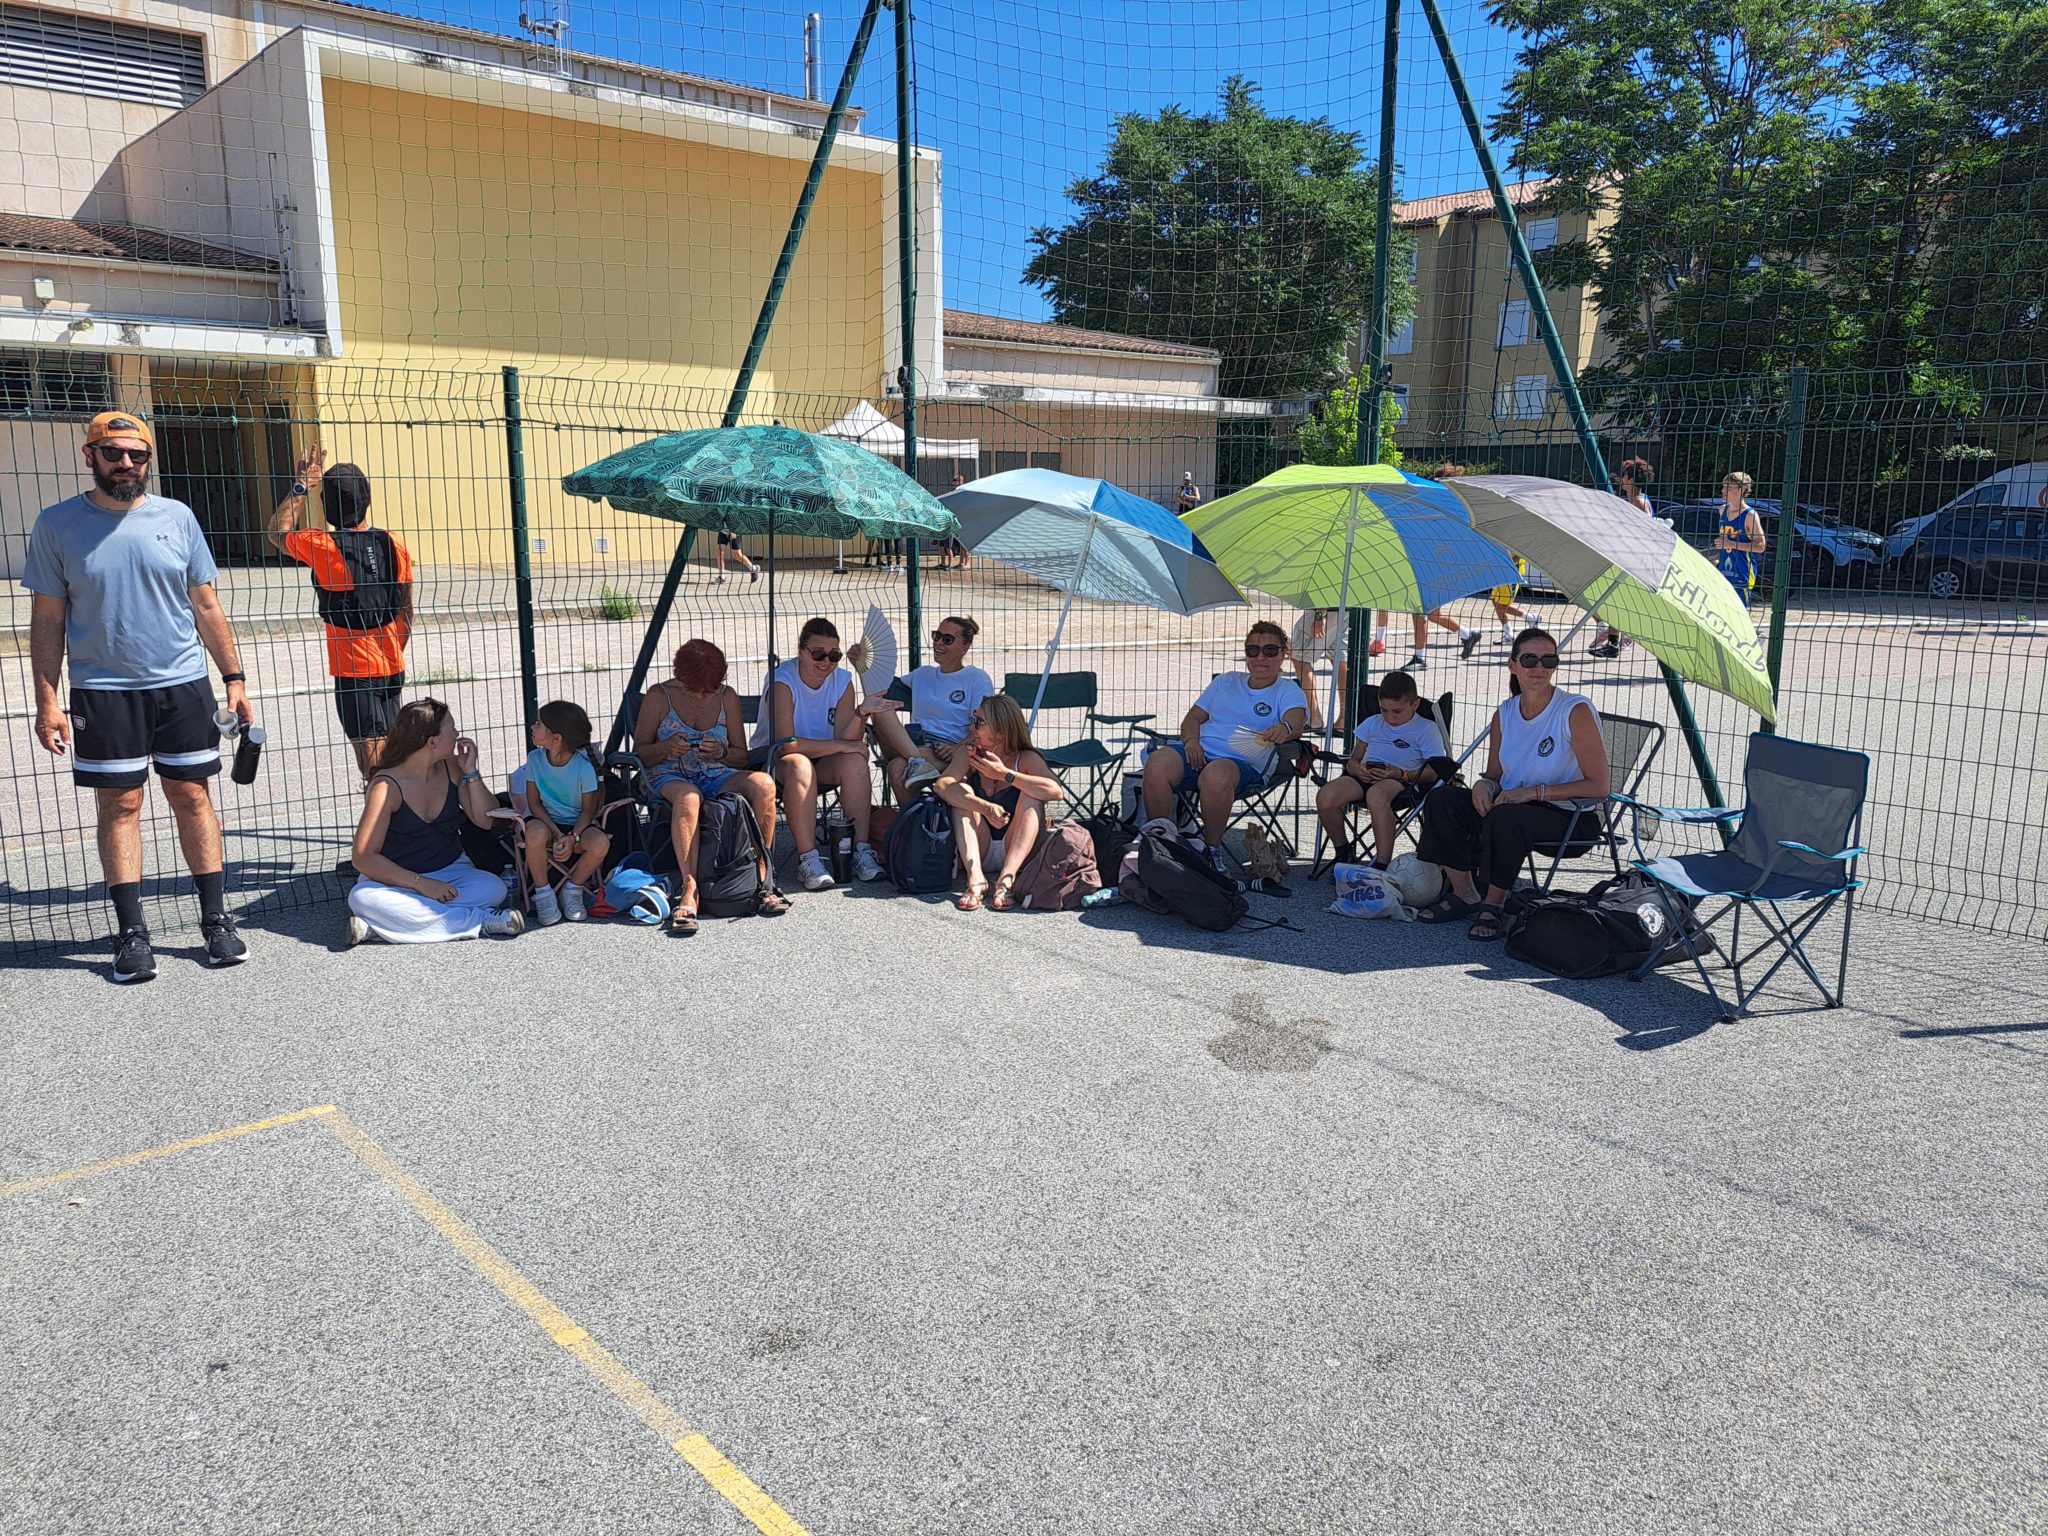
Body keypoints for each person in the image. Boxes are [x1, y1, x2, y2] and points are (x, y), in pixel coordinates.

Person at [25, 411, 256, 981]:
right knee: (120, 805)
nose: (126, 463)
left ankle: (216, 922)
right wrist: (48, 701)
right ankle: (131, 934)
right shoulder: (57, 525)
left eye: (137, 454)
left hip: (182, 685)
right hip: (103, 693)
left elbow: (206, 605)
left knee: (192, 795)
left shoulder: (177, 517)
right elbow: (48, 620)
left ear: (149, 460)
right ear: (90, 455)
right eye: (113, 453)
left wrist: (234, 678)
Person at [1413, 628, 1611, 940]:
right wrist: (1484, 785)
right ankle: (1465, 894)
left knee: (1506, 816)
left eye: (1549, 660)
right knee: (1443, 799)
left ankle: (1494, 905)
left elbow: (1599, 786)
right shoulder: (1504, 713)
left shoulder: (1574, 710)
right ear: (1512, 665)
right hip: (1513, 805)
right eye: (1530, 659)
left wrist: (1532, 793)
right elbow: (1494, 775)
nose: (1539, 667)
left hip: (1570, 817)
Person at [265, 443, 413, 780]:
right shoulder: (393, 543)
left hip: (353, 672)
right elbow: (406, 610)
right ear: (367, 500)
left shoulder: (323, 546)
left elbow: (277, 532)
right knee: (396, 756)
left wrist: (302, 485)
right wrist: (393, 649)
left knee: (374, 766)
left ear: (325, 505)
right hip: (392, 666)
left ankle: (382, 812)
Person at [632, 639, 788, 934]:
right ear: (679, 675)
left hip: (715, 771)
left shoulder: (726, 696)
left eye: (709, 689)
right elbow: (639, 753)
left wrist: (721, 752)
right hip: (667, 774)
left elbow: (741, 756)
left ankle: (762, 873)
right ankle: (689, 887)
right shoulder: (659, 695)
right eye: (694, 689)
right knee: (689, 797)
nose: (703, 694)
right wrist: (665, 747)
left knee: (764, 784)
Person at [347, 698, 524, 945]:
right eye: (452, 729)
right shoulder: (386, 786)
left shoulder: (451, 767)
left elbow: (486, 820)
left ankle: (380, 926)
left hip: (453, 871)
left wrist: (471, 772)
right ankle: (480, 920)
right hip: (396, 880)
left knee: (495, 887)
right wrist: (421, 884)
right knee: (362, 898)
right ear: (432, 743)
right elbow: (363, 858)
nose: (457, 734)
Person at [1140, 620, 1308, 871]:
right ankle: (1160, 844)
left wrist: (1284, 728)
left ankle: (1210, 850)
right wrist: (1192, 742)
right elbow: (1192, 719)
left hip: (1245, 765)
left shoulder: (1287, 690)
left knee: (1216, 774)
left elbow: (1296, 722)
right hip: (1200, 752)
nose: (1261, 657)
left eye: (1270, 650)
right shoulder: (1226, 681)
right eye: (1253, 650)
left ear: (1284, 654)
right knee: (1158, 762)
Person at [768, 616, 885, 889]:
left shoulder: (842, 680)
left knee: (855, 761)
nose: (826, 662)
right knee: (800, 764)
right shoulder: (782, 680)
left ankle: (861, 850)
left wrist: (861, 714)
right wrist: (843, 745)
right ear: (801, 651)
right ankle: (808, 859)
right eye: (818, 654)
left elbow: (848, 740)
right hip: (778, 762)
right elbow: (786, 744)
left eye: (834, 655)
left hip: (824, 760)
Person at [935, 694, 1066, 910]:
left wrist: (1005, 775)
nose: (970, 728)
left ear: (1000, 733)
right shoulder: (970, 754)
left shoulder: (1025, 758)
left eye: (978, 722)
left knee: (1032, 794)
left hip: (1018, 850)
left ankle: (1007, 879)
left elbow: (1055, 791)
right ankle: (975, 878)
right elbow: (942, 785)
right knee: (962, 792)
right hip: (980, 846)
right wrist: (984, 807)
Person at [1313, 670, 1448, 869]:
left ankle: (1382, 863)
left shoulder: (1426, 729)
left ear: (1415, 704)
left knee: (1376, 795)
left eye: (1397, 711)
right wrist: (1357, 769)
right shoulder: (1372, 723)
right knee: (1326, 796)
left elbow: (1434, 772)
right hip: (1365, 776)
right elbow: (1352, 761)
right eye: (1384, 710)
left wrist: (1401, 774)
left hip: (1402, 781)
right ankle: (1343, 851)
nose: (1390, 717)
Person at [862, 614, 995, 801]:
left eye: (947, 639)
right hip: (912, 742)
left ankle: (913, 818)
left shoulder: (976, 679)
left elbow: (984, 725)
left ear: (965, 647)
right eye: (936, 636)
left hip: (946, 750)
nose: (938, 643)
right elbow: (880, 689)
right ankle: (917, 761)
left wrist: (957, 748)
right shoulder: (922, 674)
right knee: (880, 709)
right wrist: (861, 665)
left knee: (896, 768)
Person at [519, 700, 611, 926]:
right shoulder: (535, 759)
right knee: (534, 833)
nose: (533, 727)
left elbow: (588, 811)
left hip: (578, 826)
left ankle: (572, 890)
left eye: (539, 724)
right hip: (545, 822)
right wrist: (557, 833)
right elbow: (534, 804)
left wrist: (573, 838)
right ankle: (543, 894)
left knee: (600, 843)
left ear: (556, 738)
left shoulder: (584, 767)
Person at [1591, 458, 1653, 657]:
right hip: (1626, 557)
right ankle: (1613, 644)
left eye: (1625, 476)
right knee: (1615, 602)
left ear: (1631, 479)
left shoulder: (1638, 502)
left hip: (1634, 560)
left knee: (1617, 602)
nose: (1622, 479)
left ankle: (1617, 642)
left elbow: (1647, 531)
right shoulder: (1632, 500)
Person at [1289, 608, 1349, 735]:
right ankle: (1345, 720)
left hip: (1326, 608)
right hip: (1349, 607)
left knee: (1300, 657)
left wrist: (1319, 616)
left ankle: (1314, 718)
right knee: (1340, 658)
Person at [1713, 470, 1768, 607]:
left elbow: (1760, 546)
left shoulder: (1750, 515)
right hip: (1724, 571)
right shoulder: (1722, 510)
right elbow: (1725, 542)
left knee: (1739, 612)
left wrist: (1731, 544)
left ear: (1743, 489)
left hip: (1742, 572)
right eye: (1723, 487)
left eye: (1729, 487)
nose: (1724, 491)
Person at [941, 470, 973, 571]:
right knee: (960, 543)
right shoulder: (955, 493)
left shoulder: (964, 492)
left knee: (965, 544)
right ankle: (961, 562)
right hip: (958, 520)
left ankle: (967, 563)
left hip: (966, 520)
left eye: (956, 482)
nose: (954, 484)